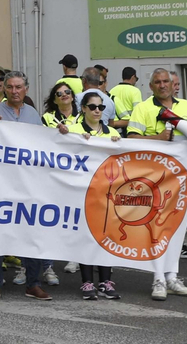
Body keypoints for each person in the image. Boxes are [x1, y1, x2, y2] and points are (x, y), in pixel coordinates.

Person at [125, 67, 187, 301]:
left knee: (175, 226)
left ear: (172, 83)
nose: (162, 85)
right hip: (153, 178)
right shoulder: (143, 108)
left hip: (181, 178)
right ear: (151, 86)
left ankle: (173, 276)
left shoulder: (186, 107)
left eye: (166, 81)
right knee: (156, 227)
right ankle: (158, 278)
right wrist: (158, 139)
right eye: (157, 82)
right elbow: (131, 139)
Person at [0, 71, 54, 300]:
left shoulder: (33, 114)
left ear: (26, 89)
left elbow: (43, 145)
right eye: (11, 87)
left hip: (28, 184)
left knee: (31, 233)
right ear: (4, 89)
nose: (15, 91)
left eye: (19, 87)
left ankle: (33, 283)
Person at [57, 90, 122, 299]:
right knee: (86, 237)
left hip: (107, 193)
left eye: (101, 107)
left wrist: (116, 144)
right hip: (82, 193)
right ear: (83, 108)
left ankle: (105, 281)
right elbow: (59, 148)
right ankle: (87, 282)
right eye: (92, 107)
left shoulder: (112, 132)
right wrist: (70, 137)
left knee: (107, 236)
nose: (97, 111)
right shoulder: (75, 129)